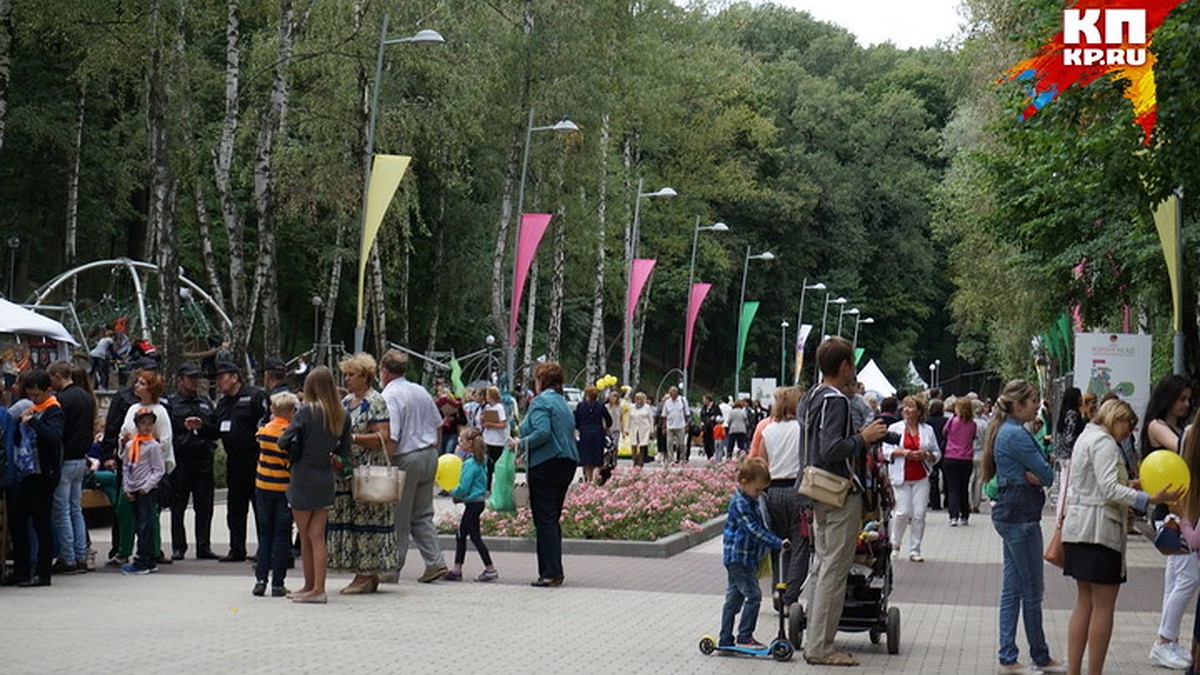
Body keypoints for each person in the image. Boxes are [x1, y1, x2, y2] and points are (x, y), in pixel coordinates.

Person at [1063, 398, 1177, 675]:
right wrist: (1148, 497)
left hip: (1078, 530)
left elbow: (1095, 483)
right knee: (1103, 608)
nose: (1130, 431)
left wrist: (1129, 484)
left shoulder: (1086, 436)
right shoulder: (1104, 443)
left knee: (1083, 605)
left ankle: (1074, 670)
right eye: (1129, 424)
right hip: (1100, 532)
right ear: (1116, 418)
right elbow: (1108, 489)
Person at [797, 337, 888, 667]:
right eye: (852, 364)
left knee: (822, 566)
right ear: (845, 366)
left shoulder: (811, 396)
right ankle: (821, 647)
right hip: (837, 491)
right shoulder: (836, 401)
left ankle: (815, 639)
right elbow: (830, 448)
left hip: (815, 489)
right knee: (834, 569)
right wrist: (863, 438)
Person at [981, 379, 1066, 674]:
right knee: (1031, 589)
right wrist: (1038, 474)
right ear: (1018, 405)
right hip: (1021, 515)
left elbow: (1042, 473)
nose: (1036, 405)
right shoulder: (1016, 434)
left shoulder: (1007, 431)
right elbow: (1046, 473)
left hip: (1011, 511)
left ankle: (1010, 655)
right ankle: (1036, 656)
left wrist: (1038, 474)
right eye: (1031, 401)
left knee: (1014, 588)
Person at [278, 366, 351, 604]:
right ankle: (315, 587)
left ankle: (313, 587)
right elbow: (344, 452)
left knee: (305, 534)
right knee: (316, 535)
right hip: (324, 476)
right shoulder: (341, 414)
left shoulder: (306, 412)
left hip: (302, 475)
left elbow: (283, 441)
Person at [328, 352, 398, 595]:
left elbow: (383, 436)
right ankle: (364, 573)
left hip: (366, 471)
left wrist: (352, 438)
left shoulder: (375, 401)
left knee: (367, 521)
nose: (346, 379)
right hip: (347, 471)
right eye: (345, 374)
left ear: (365, 377)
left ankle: (366, 574)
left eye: (351, 374)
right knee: (354, 521)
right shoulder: (347, 402)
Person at [378, 349, 449, 583]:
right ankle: (435, 562)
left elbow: (393, 436)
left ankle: (391, 569)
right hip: (429, 454)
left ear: (385, 371)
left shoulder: (390, 395)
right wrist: (435, 450)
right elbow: (438, 424)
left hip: (406, 458)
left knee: (398, 516)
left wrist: (385, 466)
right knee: (422, 514)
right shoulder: (420, 391)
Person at [1143, 374, 1197, 670]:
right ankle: (1164, 640)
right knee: (1189, 577)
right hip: (1171, 513)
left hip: (1178, 511)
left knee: (1177, 577)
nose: (1186, 405)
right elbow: (1184, 449)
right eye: (1181, 399)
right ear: (1167, 398)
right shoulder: (1158, 427)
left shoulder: (1173, 427)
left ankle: (1168, 640)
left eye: (1189, 400)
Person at [513, 361, 579, 587]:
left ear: (542, 381)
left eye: (536, 379)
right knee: (552, 518)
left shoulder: (541, 402)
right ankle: (554, 570)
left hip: (546, 464)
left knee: (544, 519)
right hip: (567, 462)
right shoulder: (563, 402)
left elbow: (542, 432)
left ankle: (550, 572)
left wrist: (520, 444)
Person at [2, 370, 64, 587]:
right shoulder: (32, 408)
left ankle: (42, 572)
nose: (34, 399)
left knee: (41, 522)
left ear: (48, 390)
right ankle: (21, 569)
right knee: (17, 518)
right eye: (31, 395)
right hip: (27, 472)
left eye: (37, 395)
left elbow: (54, 437)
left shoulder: (54, 410)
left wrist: (34, 423)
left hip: (44, 475)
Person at [718, 456, 787, 649]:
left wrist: (778, 540)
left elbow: (761, 527)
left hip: (744, 559)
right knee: (754, 595)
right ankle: (744, 635)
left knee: (733, 599)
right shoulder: (740, 503)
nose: (759, 494)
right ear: (743, 482)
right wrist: (777, 543)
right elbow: (754, 530)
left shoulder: (751, 501)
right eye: (757, 489)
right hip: (738, 559)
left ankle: (725, 637)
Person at [756, 386, 808, 614]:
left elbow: (762, 464)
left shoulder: (768, 431)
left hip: (773, 491)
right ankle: (791, 596)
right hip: (798, 490)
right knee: (800, 545)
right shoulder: (802, 429)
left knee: (778, 544)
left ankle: (778, 587)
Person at [115, 369, 175, 566]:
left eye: (141, 383)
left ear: (151, 389)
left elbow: (165, 441)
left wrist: (148, 444)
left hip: (149, 470)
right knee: (124, 509)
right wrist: (125, 442)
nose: (136, 386)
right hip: (131, 466)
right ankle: (124, 549)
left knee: (149, 514)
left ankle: (151, 551)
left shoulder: (160, 411)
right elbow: (125, 432)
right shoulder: (132, 409)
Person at [213, 360, 269, 562]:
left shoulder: (254, 396)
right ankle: (236, 549)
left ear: (235, 377)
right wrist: (200, 426)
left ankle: (265, 549)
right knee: (235, 508)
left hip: (255, 458)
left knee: (259, 507)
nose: (219, 382)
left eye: (222, 378)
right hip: (234, 461)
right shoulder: (222, 404)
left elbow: (266, 422)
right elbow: (214, 429)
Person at [167, 362, 220, 560]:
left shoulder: (205, 402)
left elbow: (215, 430)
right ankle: (178, 546)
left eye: (196, 378)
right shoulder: (171, 401)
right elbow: (165, 428)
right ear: (180, 380)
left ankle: (203, 546)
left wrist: (202, 425)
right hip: (181, 459)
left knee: (204, 506)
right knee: (178, 504)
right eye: (190, 378)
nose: (194, 382)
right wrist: (183, 425)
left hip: (203, 458)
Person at [47, 360, 94, 575]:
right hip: (81, 458)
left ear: (57, 376)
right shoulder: (85, 396)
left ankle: (68, 557)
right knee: (76, 508)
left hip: (65, 459)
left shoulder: (61, 400)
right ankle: (81, 554)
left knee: (62, 510)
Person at [882, 395, 940, 562]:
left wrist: (926, 455)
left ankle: (915, 549)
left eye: (910, 407)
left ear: (919, 411)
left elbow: (937, 453)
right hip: (901, 476)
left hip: (921, 475)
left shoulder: (927, 430)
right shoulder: (895, 427)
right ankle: (895, 544)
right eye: (905, 406)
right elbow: (885, 451)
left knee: (919, 514)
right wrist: (903, 452)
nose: (906, 410)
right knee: (902, 512)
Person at [251, 391, 297, 597]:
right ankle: (278, 583)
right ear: (291, 412)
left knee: (264, 534)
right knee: (281, 536)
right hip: (284, 489)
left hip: (263, 486)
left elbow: (258, 435)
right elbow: (291, 462)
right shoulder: (289, 434)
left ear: (272, 409)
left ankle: (260, 579)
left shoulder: (264, 432)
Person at [444, 426, 498, 583]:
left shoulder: (469, 464)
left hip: (472, 504)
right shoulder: (481, 461)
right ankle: (458, 568)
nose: (459, 443)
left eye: (461, 440)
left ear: (469, 444)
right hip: (477, 502)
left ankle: (489, 569)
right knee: (465, 535)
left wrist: (452, 492)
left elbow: (463, 487)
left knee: (471, 536)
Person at [118, 408, 166, 575]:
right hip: (133, 488)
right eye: (143, 423)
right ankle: (144, 558)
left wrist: (147, 487)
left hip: (146, 490)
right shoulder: (132, 444)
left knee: (146, 525)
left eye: (149, 424)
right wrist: (127, 488)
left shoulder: (153, 446)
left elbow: (159, 470)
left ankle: (144, 559)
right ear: (136, 425)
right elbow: (126, 467)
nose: (146, 427)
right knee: (138, 524)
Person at [942, 397, 978, 527]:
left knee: (953, 488)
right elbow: (973, 437)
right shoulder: (973, 424)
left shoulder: (952, 421)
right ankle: (965, 515)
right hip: (966, 458)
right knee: (964, 487)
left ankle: (953, 516)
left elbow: (944, 432)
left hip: (951, 456)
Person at [574, 386, 611, 483]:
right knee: (597, 459)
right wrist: (606, 428)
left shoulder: (580, 406)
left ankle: (588, 479)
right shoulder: (601, 406)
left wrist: (580, 428)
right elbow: (609, 420)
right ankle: (594, 480)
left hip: (585, 433)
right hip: (598, 433)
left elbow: (576, 421)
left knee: (586, 459)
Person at [480, 386, 508, 488]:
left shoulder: (499, 408)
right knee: (487, 463)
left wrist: (490, 424)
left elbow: (503, 424)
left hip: (497, 441)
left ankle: (499, 484)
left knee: (495, 463)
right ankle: (487, 484)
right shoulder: (487, 407)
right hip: (488, 439)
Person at [661, 386, 690, 464]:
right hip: (670, 426)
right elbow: (664, 415)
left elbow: (687, 414)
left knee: (681, 444)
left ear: (677, 393)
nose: (672, 395)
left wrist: (687, 425)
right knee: (669, 443)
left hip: (681, 425)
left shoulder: (682, 401)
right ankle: (671, 459)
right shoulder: (667, 402)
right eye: (670, 393)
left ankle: (683, 458)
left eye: (673, 393)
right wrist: (664, 427)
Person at [627, 391, 654, 468]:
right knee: (634, 445)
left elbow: (651, 419)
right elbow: (629, 418)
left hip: (644, 428)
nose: (638, 400)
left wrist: (651, 430)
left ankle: (640, 461)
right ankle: (635, 460)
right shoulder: (631, 407)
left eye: (640, 398)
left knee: (642, 445)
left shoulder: (647, 407)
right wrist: (627, 429)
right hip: (634, 428)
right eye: (637, 398)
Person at [699, 394, 721, 460]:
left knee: (712, 441)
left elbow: (719, 415)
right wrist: (702, 421)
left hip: (713, 427)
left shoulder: (715, 407)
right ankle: (709, 456)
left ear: (708, 400)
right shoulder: (704, 407)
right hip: (705, 427)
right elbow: (702, 415)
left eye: (704, 399)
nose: (703, 401)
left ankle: (713, 454)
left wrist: (714, 418)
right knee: (706, 442)